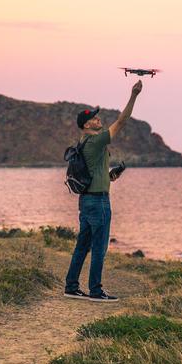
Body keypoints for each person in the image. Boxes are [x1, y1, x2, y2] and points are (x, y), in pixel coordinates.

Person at [64, 79, 143, 302]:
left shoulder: (83, 143)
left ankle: (71, 286)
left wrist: (110, 177)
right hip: (98, 203)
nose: (99, 119)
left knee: (83, 246)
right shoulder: (96, 141)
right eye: (94, 118)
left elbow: (93, 173)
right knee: (99, 247)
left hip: (87, 200)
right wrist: (134, 94)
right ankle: (96, 291)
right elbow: (122, 121)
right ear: (87, 125)